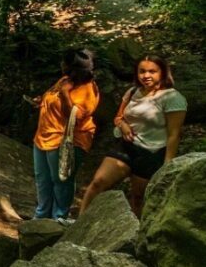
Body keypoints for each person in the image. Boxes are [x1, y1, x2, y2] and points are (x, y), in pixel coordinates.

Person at [78, 55, 187, 217]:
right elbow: (118, 117)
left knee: (138, 198)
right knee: (98, 182)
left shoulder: (172, 98)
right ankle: (79, 223)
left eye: (152, 71)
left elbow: (174, 134)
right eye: (142, 71)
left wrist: (167, 164)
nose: (146, 75)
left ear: (162, 73)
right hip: (126, 147)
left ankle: (135, 235)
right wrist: (123, 125)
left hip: (152, 153)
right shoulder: (132, 92)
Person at [31, 48, 99, 221]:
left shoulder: (88, 90)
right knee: (43, 180)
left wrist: (65, 93)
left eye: (64, 62)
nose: (61, 64)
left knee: (61, 181)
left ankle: (58, 219)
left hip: (66, 141)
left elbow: (74, 117)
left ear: (72, 68)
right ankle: (41, 218)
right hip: (43, 137)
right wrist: (43, 101)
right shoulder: (66, 80)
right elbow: (52, 97)